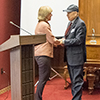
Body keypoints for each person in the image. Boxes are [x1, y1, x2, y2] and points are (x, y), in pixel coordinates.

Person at [60, 4, 87, 100]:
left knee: (77, 81)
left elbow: (79, 40)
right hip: (70, 57)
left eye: (69, 13)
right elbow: (70, 37)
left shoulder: (80, 24)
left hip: (76, 57)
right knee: (73, 81)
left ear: (75, 13)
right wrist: (64, 39)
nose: (67, 15)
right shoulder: (70, 23)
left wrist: (65, 41)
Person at [34, 6, 60, 100]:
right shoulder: (44, 25)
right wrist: (62, 41)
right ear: (46, 14)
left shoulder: (40, 24)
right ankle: (37, 98)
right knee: (43, 79)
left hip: (40, 54)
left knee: (43, 78)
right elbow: (52, 39)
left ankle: (37, 97)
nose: (51, 15)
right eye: (50, 13)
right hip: (43, 54)